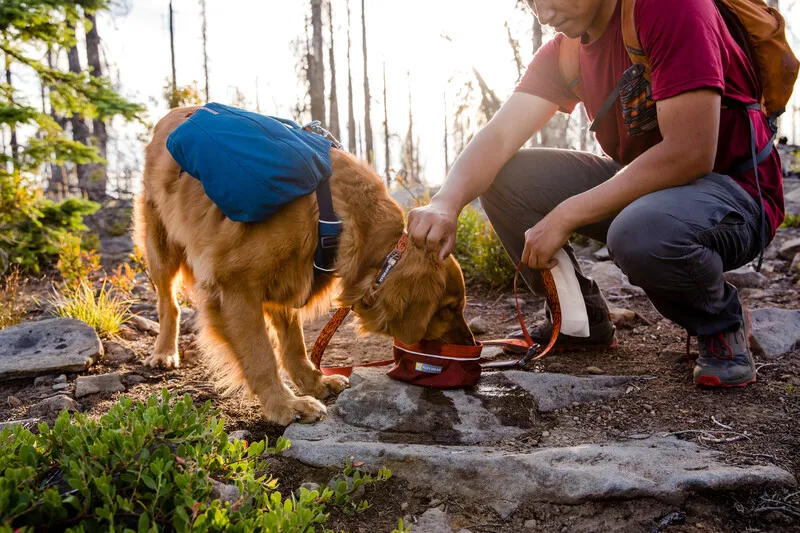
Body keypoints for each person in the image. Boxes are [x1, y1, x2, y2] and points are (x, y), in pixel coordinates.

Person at [407, 0, 787, 387]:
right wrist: (445, 202)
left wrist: (566, 214)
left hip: (733, 195)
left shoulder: (671, 9)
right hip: (646, 191)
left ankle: (720, 323)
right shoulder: (567, 50)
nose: (542, 13)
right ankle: (578, 319)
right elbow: (500, 135)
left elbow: (690, 152)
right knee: (505, 176)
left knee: (639, 232)